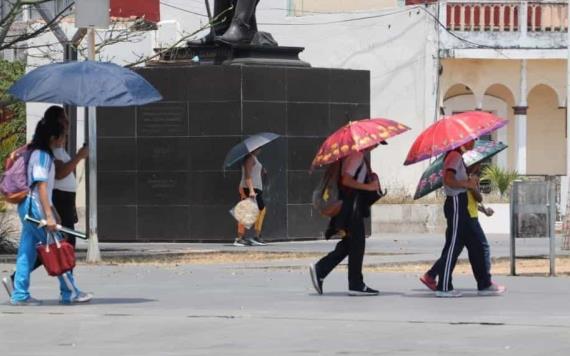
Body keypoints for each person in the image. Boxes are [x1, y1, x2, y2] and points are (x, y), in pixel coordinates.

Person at [3, 107, 91, 305]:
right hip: (36, 209)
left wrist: (54, 211)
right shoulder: (42, 156)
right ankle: (71, 292)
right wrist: (49, 215)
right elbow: (41, 186)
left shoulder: (38, 153)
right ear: (53, 136)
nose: (64, 139)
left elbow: (44, 190)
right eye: (62, 135)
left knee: (27, 251)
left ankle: (19, 294)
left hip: (32, 207)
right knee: (57, 247)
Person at [419, 141, 505, 297]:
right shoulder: (454, 155)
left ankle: (481, 283)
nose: (473, 142)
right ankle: (443, 286)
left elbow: (472, 194)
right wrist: (467, 184)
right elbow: (448, 179)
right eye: (471, 139)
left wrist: (470, 185)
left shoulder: (459, 159)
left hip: (463, 206)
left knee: (471, 246)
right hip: (457, 203)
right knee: (453, 246)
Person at [309, 146, 381, 296]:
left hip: (348, 206)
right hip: (351, 206)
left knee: (350, 244)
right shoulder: (356, 156)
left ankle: (321, 269)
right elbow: (346, 180)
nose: (376, 145)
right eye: (376, 142)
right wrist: (368, 186)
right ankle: (355, 284)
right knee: (357, 243)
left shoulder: (352, 155)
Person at [234, 148, 267, 246]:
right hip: (250, 189)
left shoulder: (254, 158)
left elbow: (253, 173)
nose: (260, 149)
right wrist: (251, 190)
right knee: (247, 211)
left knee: (259, 210)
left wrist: (262, 171)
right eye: (259, 147)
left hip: (254, 188)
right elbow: (247, 175)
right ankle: (240, 238)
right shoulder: (249, 158)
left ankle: (255, 236)